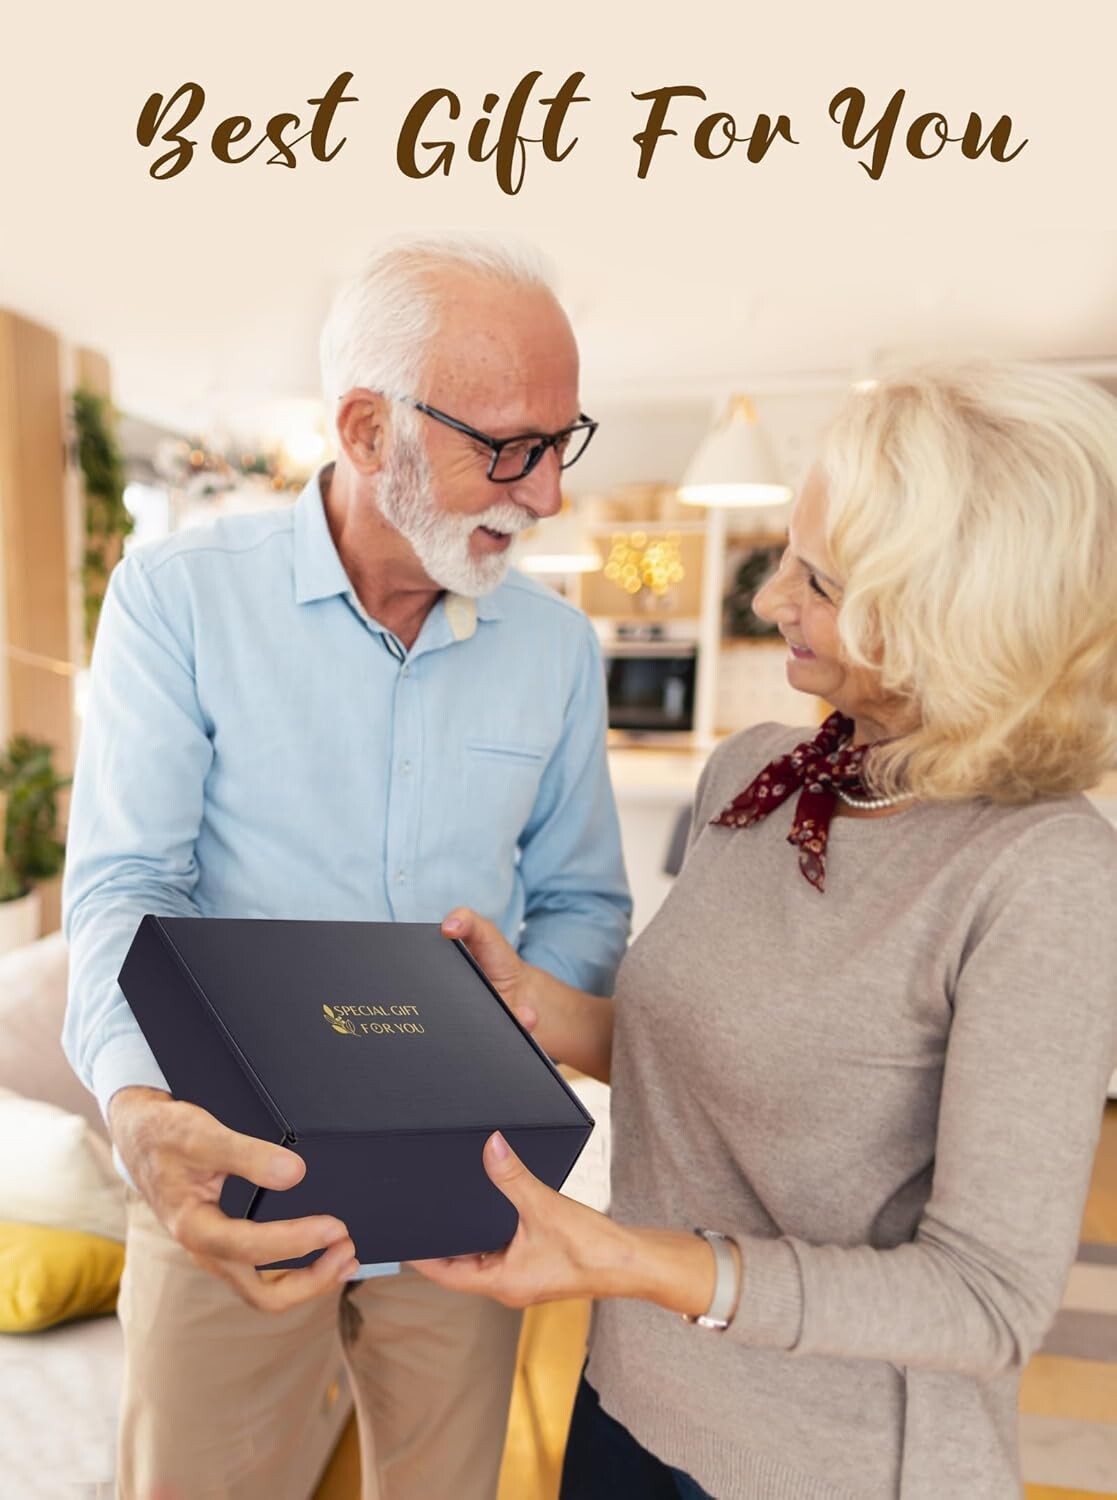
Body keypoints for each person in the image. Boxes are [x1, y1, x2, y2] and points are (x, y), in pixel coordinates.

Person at [412, 362, 1117, 1499]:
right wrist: (533, 1009)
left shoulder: (1043, 875)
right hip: (630, 1402)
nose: (766, 597)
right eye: (789, 554)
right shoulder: (760, 776)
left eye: (820, 580)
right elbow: (698, 1047)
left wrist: (632, 1261)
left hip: (822, 1465)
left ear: (965, 614)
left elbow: (984, 1300)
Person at [62, 235, 631, 1500]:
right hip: (230, 1167)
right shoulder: (177, 597)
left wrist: (520, 1040)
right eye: (508, 447)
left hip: (469, 1189)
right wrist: (133, 1107)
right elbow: (124, 890)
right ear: (368, 430)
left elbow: (586, 899)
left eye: (560, 441)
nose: (544, 497)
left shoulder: (551, 647)